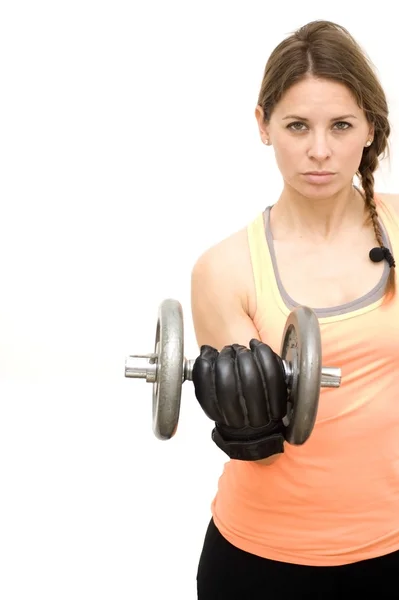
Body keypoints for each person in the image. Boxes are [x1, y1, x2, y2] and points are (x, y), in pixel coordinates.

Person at [190, 19, 399, 598]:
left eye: (341, 125)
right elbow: (258, 439)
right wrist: (239, 410)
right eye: (297, 125)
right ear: (263, 126)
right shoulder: (224, 270)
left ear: (369, 129)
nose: (319, 151)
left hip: (391, 548)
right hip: (260, 560)